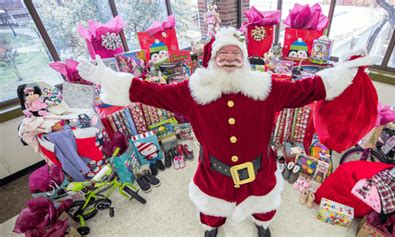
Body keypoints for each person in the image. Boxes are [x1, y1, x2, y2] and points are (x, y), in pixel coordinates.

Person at [78, 27, 375, 237]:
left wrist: (348, 69)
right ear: (212, 59)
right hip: (214, 170)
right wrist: (105, 75)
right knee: (211, 208)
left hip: (259, 168)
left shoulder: (268, 87)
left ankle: (262, 224)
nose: (231, 58)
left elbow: (311, 87)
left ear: (245, 59)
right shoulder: (190, 90)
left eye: (237, 53)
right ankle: (211, 227)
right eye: (224, 53)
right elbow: (148, 91)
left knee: (264, 203)